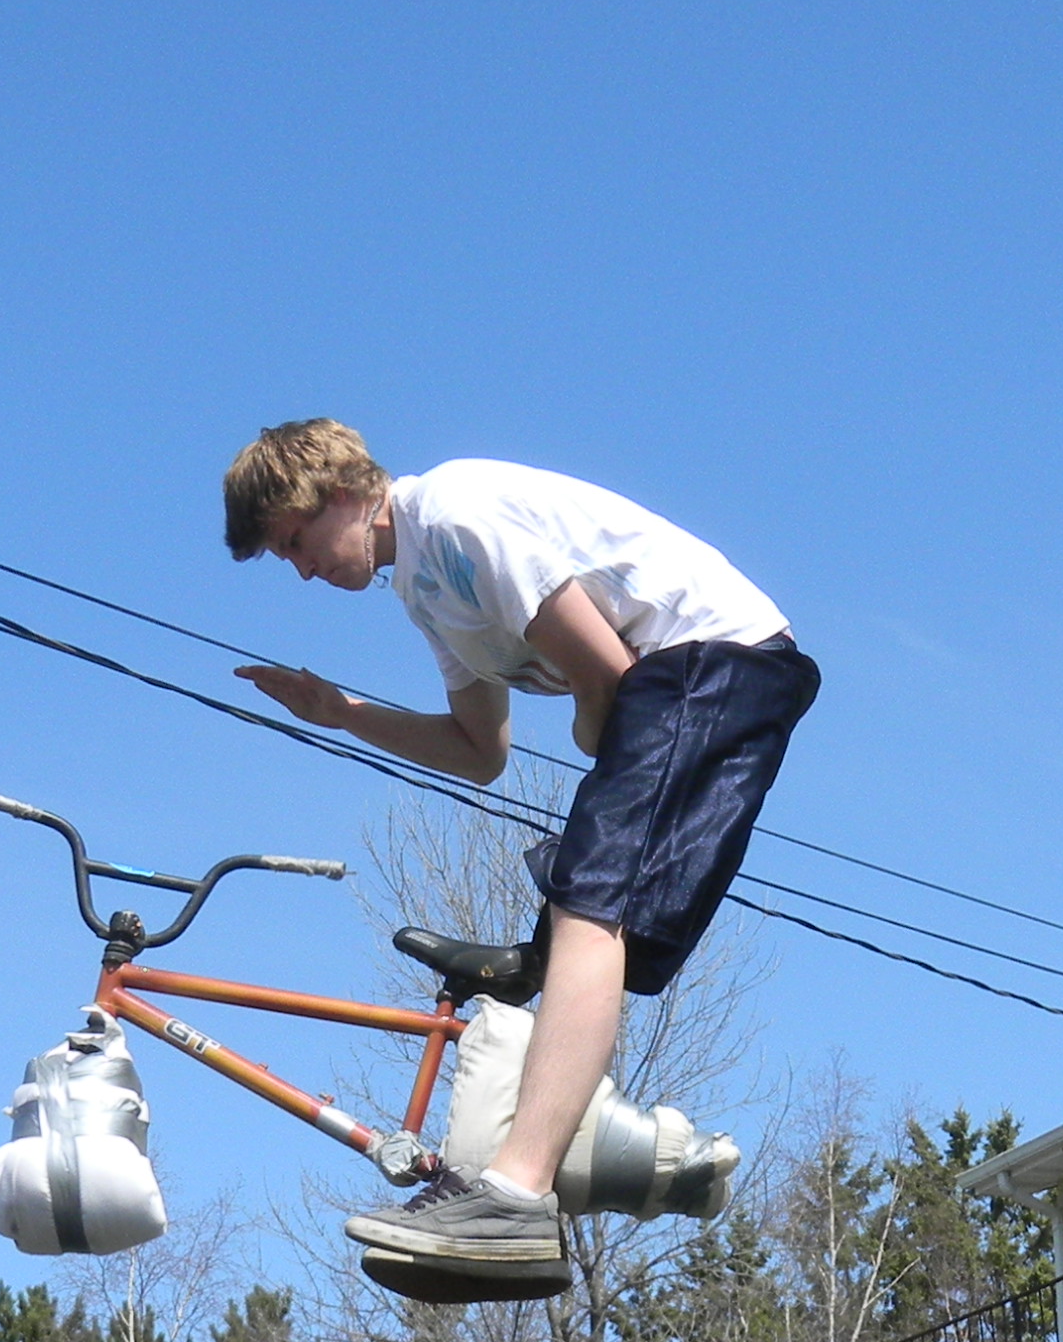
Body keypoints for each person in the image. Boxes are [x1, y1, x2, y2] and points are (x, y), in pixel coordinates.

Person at [223, 419, 818, 1270]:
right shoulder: (424, 589)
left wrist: (588, 726)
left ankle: (518, 1191)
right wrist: (341, 713)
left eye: (295, 542)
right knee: (591, 924)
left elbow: (606, 672)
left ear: (342, 492)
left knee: (592, 908)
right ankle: (549, 1167)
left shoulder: (454, 515)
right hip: (687, 682)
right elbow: (479, 752)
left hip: (711, 660)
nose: (303, 570)